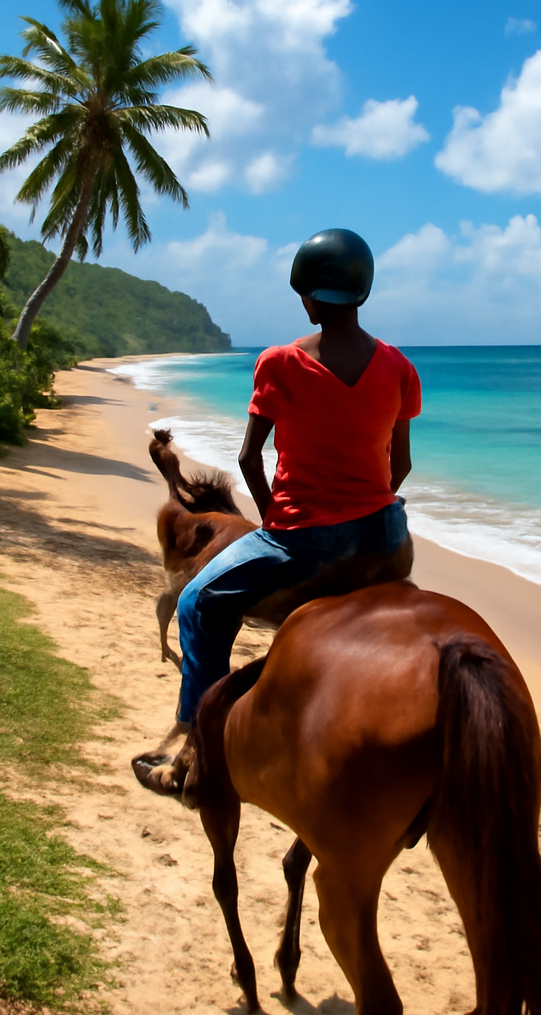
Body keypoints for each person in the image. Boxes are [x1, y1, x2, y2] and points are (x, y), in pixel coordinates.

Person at [138, 227, 421, 796]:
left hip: (306, 541)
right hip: (389, 540)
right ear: (362, 294)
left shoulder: (279, 363)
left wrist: (275, 523)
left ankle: (197, 747)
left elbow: (248, 459)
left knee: (196, 603)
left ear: (308, 298)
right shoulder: (399, 367)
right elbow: (401, 468)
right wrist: (364, 505)